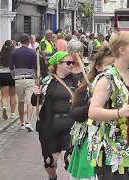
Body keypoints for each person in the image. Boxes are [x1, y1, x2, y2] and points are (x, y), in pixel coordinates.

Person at [88, 31, 129, 180]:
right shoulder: (106, 78)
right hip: (111, 152)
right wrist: (119, 113)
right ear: (122, 50)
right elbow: (93, 112)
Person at [68, 46, 114, 180]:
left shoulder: (122, 87)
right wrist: (91, 105)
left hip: (114, 144)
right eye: (109, 65)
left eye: (114, 66)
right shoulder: (86, 88)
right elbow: (75, 114)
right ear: (99, 67)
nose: (112, 70)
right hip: (91, 143)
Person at [32, 51, 79, 180]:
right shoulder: (47, 81)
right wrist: (36, 94)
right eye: (68, 63)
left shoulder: (76, 81)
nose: (71, 65)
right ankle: (52, 177)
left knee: (70, 159)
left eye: (72, 63)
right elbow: (34, 102)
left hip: (71, 125)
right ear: (58, 64)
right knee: (50, 162)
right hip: (50, 126)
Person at [10, 33, 36, 131]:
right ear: (29, 41)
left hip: (19, 79)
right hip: (30, 78)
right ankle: (28, 122)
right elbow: (35, 65)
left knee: (21, 101)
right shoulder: (32, 52)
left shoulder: (14, 52)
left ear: (20, 41)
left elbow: (11, 66)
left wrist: (14, 76)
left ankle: (21, 122)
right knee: (30, 101)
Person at [0, 40, 16, 120]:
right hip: (13, 75)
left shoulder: (0, 54)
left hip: (2, 75)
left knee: (4, 96)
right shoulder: (14, 54)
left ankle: (4, 108)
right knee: (13, 96)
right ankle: (13, 114)